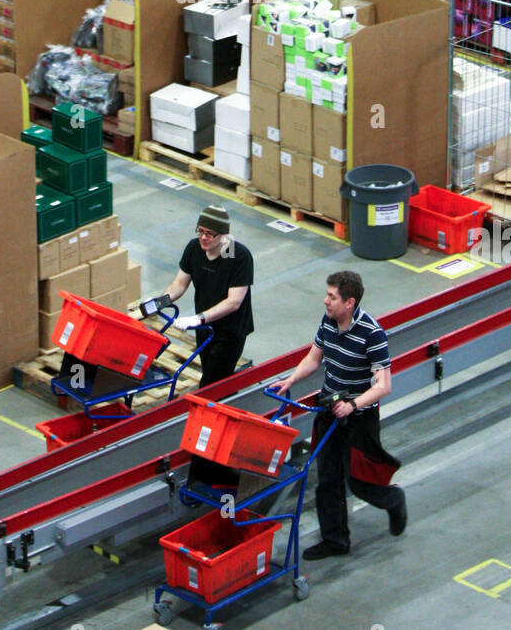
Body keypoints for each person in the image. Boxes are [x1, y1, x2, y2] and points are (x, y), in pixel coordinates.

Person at [275, 270, 406, 559]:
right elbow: (314, 357)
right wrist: (291, 380)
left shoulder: (372, 333)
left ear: (349, 302)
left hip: (359, 418)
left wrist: (354, 404)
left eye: (331, 297)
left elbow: (383, 385)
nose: (325, 301)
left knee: (360, 481)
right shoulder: (328, 322)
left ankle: (393, 500)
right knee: (328, 478)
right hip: (329, 410)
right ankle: (335, 540)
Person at [143, 204, 254, 489]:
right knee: (223, 388)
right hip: (204, 331)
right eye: (201, 231)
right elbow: (179, 284)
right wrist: (159, 302)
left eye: (211, 234)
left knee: (207, 395)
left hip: (229, 332)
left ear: (223, 236)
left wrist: (198, 318)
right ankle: (235, 456)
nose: (204, 238)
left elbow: (234, 302)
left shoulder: (239, 256)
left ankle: (202, 474)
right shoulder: (194, 249)